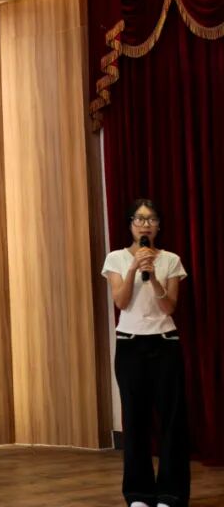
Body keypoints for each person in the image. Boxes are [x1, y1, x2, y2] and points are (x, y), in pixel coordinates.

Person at [101, 199, 190, 507]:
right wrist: (133, 269)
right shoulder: (115, 258)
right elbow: (121, 302)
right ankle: (138, 494)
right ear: (130, 225)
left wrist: (153, 278)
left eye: (151, 219)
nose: (145, 224)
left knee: (171, 421)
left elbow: (169, 307)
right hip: (130, 345)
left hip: (165, 343)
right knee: (135, 420)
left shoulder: (171, 260)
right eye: (139, 219)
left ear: (158, 226)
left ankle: (170, 494)